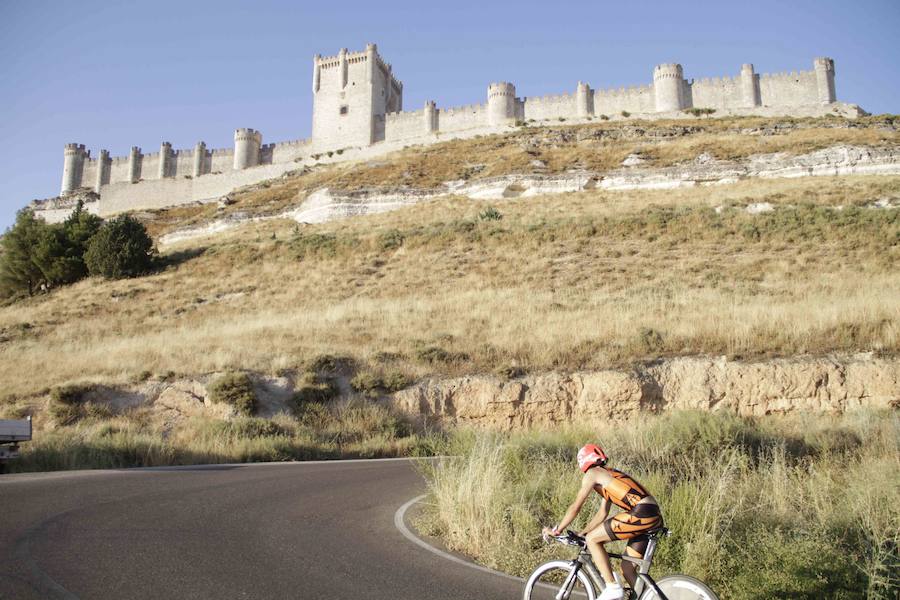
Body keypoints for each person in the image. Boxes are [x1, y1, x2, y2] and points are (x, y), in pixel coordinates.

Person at [542, 444, 663, 600]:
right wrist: (582, 533)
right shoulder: (607, 474)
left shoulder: (592, 474)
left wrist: (557, 530)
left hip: (641, 513)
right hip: (652, 514)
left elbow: (575, 506)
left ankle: (612, 587)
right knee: (627, 569)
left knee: (593, 540)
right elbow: (602, 513)